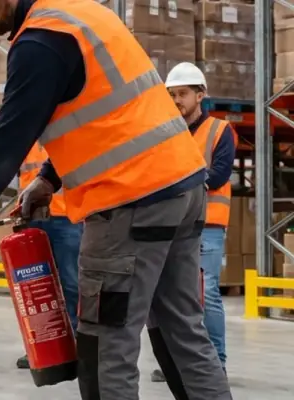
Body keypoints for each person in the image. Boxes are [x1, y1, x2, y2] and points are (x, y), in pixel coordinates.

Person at [0, 0, 232, 398]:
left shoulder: (39, 41)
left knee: (106, 346)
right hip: (182, 190)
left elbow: (7, 144)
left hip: (130, 201)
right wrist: (49, 179)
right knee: (182, 333)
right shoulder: (82, 14)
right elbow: (107, 113)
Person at [150, 62, 237, 384]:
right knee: (172, 294)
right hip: (171, 224)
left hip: (208, 224)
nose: (176, 100)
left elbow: (220, 175)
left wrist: (179, 185)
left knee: (207, 292)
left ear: (200, 95)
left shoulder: (220, 130)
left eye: (183, 93)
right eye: (172, 94)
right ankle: (175, 362)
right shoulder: (166, 131)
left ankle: (217, 365)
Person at [14, 143, 83, 370]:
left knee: (71, 285)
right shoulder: (26, 131)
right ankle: (40, 346)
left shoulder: (67, 128)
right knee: (35, 288)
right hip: (32, 217)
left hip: (69, 217)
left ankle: (73, 344)